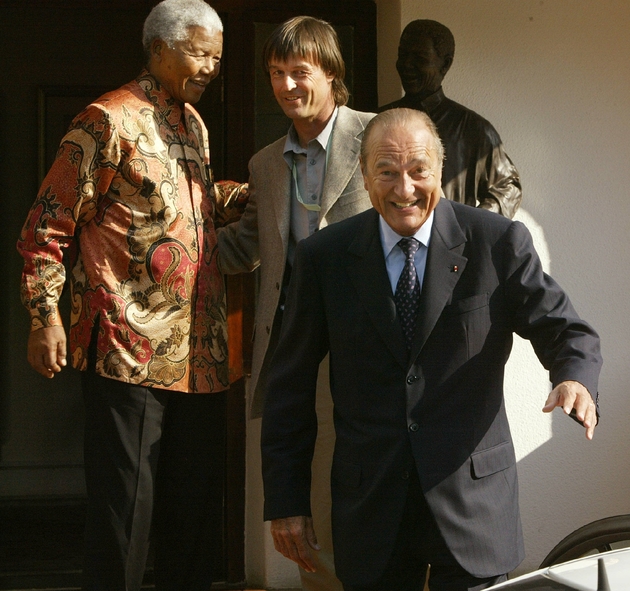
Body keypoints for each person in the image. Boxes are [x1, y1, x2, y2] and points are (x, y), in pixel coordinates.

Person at [261, 108, 601, 591]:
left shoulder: (496, 241)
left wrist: (573, 377)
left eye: (419, 170)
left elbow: (566, 329)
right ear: (364, 175)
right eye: (387, 172)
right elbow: (288, 384)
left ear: (440, 171)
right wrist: (287, 501)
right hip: (372, 508)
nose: (404, 189)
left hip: (472, 506)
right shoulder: (325, 258)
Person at [16, 1, 248, 589]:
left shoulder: (192, 123)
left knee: (195, 519)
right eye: (201, 54)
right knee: (126, 519)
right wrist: (45, 317)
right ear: (159, 48)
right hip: (129, 347)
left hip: (201, 359)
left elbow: (183, 209)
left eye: (218, 58)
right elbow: (47, 225)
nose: (212, 69)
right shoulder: (106, 120)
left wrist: (264, 186)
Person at [217, 15, 374, 591]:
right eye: (277, 74)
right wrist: (173, 237)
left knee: (372, 496)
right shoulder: (265, 163)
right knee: (304, 504)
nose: (287, 85)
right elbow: (246, 250)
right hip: (295, 352)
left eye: (299, 71)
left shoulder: (380, 134)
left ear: (331, 73)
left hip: (374, 348)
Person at [380, 19, 522, 219]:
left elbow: (508, 186)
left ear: (445, 64)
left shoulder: (474, 129)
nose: (407, 65)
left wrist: (471, 225)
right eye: (403, 55)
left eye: (419, 58)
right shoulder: (376, 123)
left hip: (452, 246)